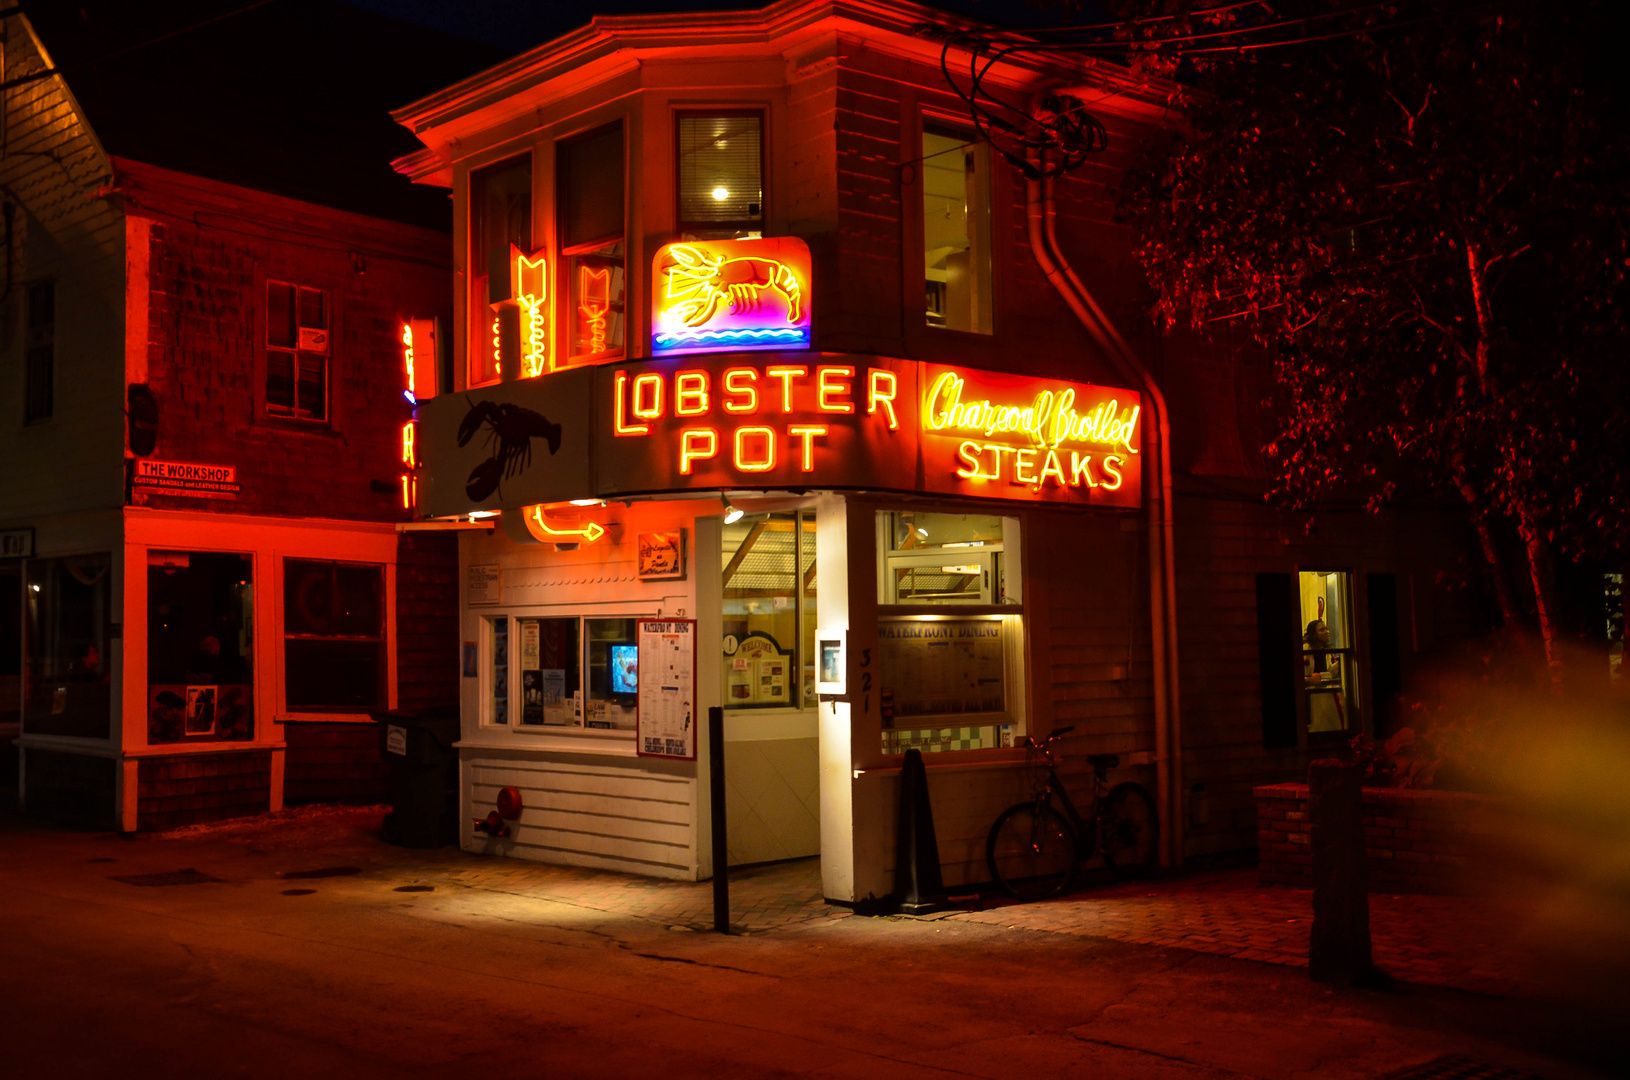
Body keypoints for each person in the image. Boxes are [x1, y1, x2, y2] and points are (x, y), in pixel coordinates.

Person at [1303, 619, 1346, 733]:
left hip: (1323, 688)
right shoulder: (1306, 648)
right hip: (1311, 691)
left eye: (1326, 629)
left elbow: (1329, 671)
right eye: (1322, 630)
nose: (1327, 632)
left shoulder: (1325, 650)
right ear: (1314, 634)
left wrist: (1341, 662)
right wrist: (1309, 679)